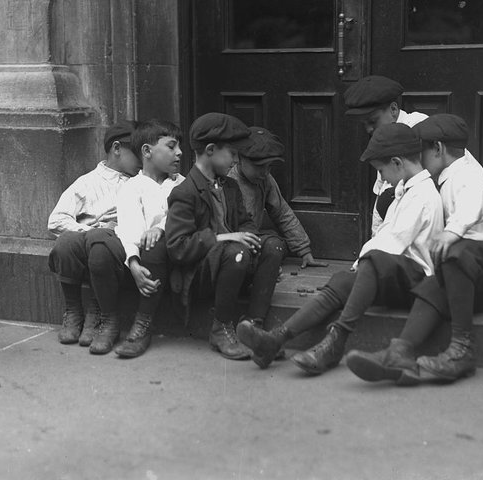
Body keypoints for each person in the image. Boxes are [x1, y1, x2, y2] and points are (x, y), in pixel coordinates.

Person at [237, 123, 444, 377]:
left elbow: (392, 244)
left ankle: (337, 340)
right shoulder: (406, 190)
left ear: (397, 163)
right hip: (392, 272)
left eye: (381, 171)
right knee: (341, 281)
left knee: (371, 260)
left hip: (416, 281)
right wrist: (358, 270)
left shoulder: (422, 195)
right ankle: (276, 339)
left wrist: (361, 265)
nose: (383, 178)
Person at [346, 114, 483, 384]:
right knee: (437, 281)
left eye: (420, 152)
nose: (418, 159)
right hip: (482, 267)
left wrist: (452, 232)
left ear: (437, 148)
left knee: (456, 253)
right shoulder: (442, 180)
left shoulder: (467, 173)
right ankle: (400, 352)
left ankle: (462, 350)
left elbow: (471, 203)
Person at [165, 113, 284, 360]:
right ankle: (221, 328)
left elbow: (246, 224)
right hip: (201, 274)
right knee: (236, 251)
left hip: (233, 263)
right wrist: (225, 238)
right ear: (210, 150)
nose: (236, 160)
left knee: (273, 245)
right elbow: (177, 247)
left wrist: (253, 243)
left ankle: (254, 326)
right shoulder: (184, 192)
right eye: (232, 153)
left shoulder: (229, 186)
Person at [47, 120, 141, 354]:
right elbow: (56, 220)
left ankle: (98, 310)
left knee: (101, 244)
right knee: (66, 242)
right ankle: (73, 310)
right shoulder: (88, 182)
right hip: (92, 241)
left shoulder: (140, 181)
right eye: (137, 152)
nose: (142, 159)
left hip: (119, 247)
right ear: (117, 148)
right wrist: (89, 231)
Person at [113, 119, 184, 358]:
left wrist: (161, 228)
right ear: (147, 151)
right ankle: (142, 324)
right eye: (171, 146)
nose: (179, 152)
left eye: (179, 147)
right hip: (150, 261)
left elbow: (183, 218)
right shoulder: (132, 187)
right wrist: (133, 263)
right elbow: (129, 229)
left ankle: (144, 318)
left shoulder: (182, 184)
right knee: (149, 245)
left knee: (156, 240)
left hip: (182, 253)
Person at [228, 126, 327, 270]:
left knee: (276, 243)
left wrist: (304, 250)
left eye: (269, 167)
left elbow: (282, 213)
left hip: (253, 240)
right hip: (233, 245)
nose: (265, 172)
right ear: (239, 158)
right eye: (259, 166)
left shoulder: (266, 180)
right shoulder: (229, 182)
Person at [343, 75, 428, 234]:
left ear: (393, 110)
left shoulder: (419, 129)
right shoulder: (387, 137)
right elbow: (382, 195)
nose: (369, 129)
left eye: (373, 121)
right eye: (364, 124)